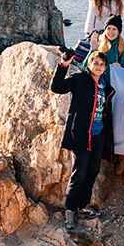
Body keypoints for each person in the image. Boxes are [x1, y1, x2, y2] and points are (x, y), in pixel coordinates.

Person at [51, 50, 114, 230]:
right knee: (79, 173)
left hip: (98, 134)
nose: (98, 67)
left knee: (93, 171)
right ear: (89, 64)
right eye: (95, 63)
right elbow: (57, 87)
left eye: (102, 64)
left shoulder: (104, 84)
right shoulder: (79, 79)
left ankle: (82, 206)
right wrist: (64, 64)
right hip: (80, 135)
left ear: (105, 67)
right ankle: (69, 210)